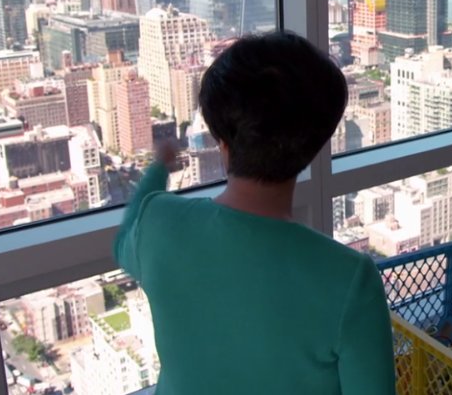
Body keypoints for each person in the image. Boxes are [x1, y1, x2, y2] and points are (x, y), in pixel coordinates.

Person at [114, 31, 396, 394]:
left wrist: (158, 168)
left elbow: (123, 240)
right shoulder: (349, 280)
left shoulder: (157, 225)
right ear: (313, 145)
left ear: (222, 142)